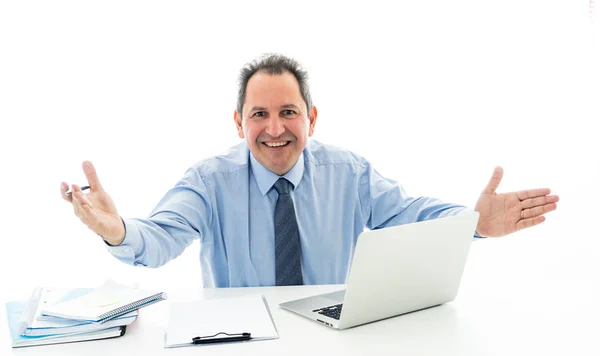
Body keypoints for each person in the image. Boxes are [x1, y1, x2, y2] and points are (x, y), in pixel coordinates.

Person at [61, 54, 559, 288]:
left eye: (288, 112)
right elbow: (160, 238)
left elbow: (409, 214)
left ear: (311, 118)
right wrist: (118, 230)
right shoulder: (208, 181)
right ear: (239, 123)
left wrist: (473, 224)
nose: (274, 128)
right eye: (259, 114)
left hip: (331, 336)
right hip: (241, 339)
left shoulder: (350, 173)